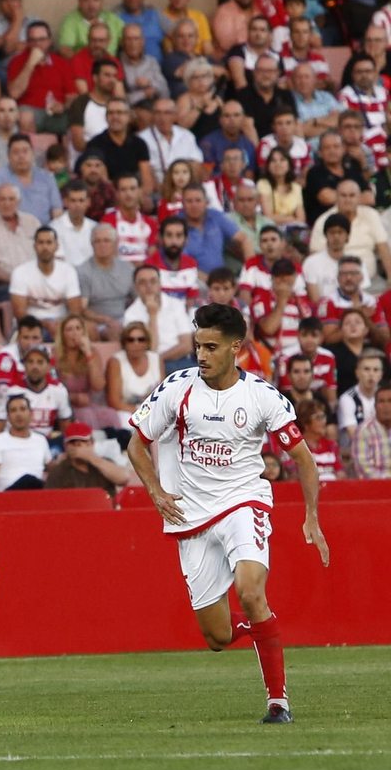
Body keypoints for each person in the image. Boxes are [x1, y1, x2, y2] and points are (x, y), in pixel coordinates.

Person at [127, 301, 328, 724]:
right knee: (216, 637)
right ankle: (265, 630)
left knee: (251, 592)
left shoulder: (261, 396)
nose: (201, 355)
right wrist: (156, 491)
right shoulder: (176, 388)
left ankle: (278, 702)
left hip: (243, 502)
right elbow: (136, 443)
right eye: (199, 345)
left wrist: (311, 516)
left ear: (236, 347)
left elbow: (304, 460)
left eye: (211, 346)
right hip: (191, 516)